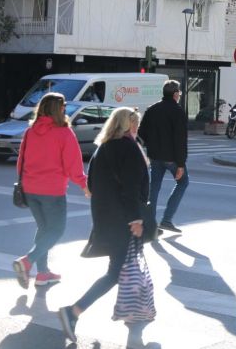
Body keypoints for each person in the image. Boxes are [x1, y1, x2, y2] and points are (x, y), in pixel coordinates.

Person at [58, 107, 152, 343]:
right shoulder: (128, 148)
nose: (137, 129)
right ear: (129, 125)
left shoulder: (103, 147)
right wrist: (136, 220)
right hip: (124, 220)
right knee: (116, 272)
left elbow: (91, 184)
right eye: (136, 124)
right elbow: (131, 188)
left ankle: (134, 318)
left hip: (106, 218)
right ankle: (74, 311)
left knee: (125, 268)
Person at [13, 93, 89, 289]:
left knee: (44, 229)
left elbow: (21, 161)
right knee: (56, 230)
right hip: (52, 191)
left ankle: (42, 273)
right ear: (60, 109)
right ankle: (27, 261)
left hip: (30, 189)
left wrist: (24, 181)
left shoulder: (30, 132)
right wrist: (84, 184)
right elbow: (73, 165)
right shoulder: (64, 133)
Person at [137, 80, 188, 234]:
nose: (179, 94)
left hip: (154, 156)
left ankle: (150, 224)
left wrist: (150, 145)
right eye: (179, 92)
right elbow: (180, 140)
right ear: (175, 94)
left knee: (154, 190)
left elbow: (141, 132)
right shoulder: (178, 111)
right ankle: (166, 220)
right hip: (171, 158)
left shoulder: (152, 109)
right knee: (183, 183)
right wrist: (180, 163)